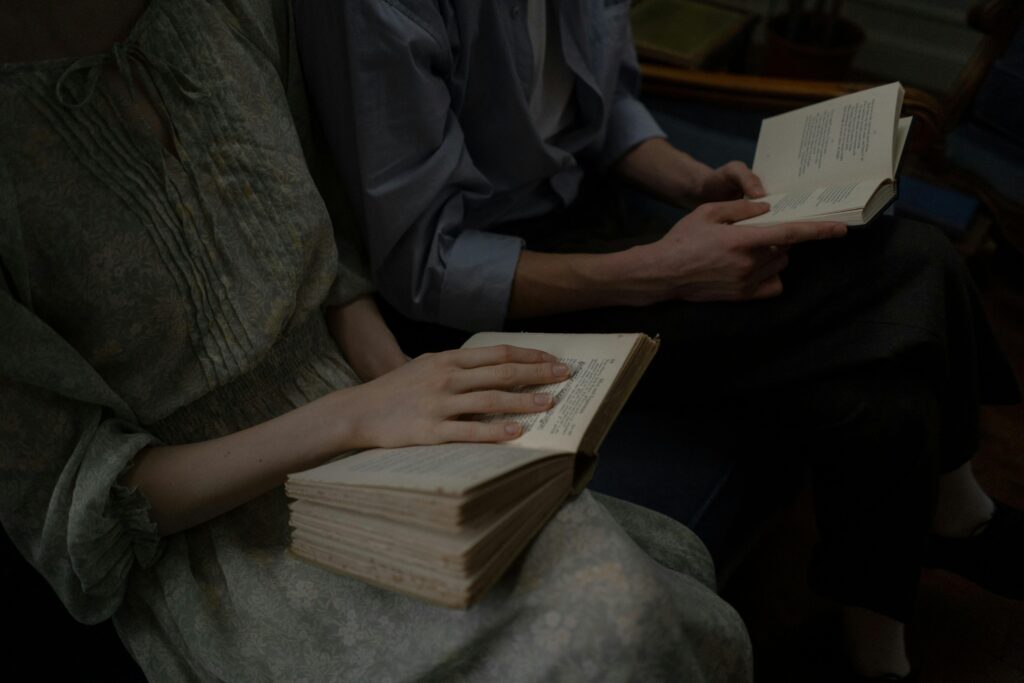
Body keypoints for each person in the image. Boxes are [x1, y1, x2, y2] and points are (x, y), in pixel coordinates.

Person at [0, 0, 755, 681]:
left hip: (372, 410)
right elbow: (87, 502)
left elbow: (329, 244)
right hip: (227, 542)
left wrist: (409, 385)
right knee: (608, 629)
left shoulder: (236, 10)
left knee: (636, 596)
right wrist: (362, 414)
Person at [293, 0, 1024, 680]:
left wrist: (697, 182)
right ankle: (959, 512)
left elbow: (605, 111)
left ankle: (877, 658)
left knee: (874, 386)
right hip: (477, 297)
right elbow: (427, 264)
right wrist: (659, 271)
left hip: (592, 215)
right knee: (913, 257)